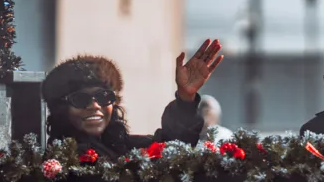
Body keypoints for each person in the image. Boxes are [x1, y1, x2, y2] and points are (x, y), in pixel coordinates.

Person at [41, 39, 224, 158]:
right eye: (80, 99)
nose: (94, 105)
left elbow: (172, 147)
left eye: (103, 96)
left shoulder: (125, 147)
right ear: (61, 109)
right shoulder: (56, 163)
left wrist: (185, 97)